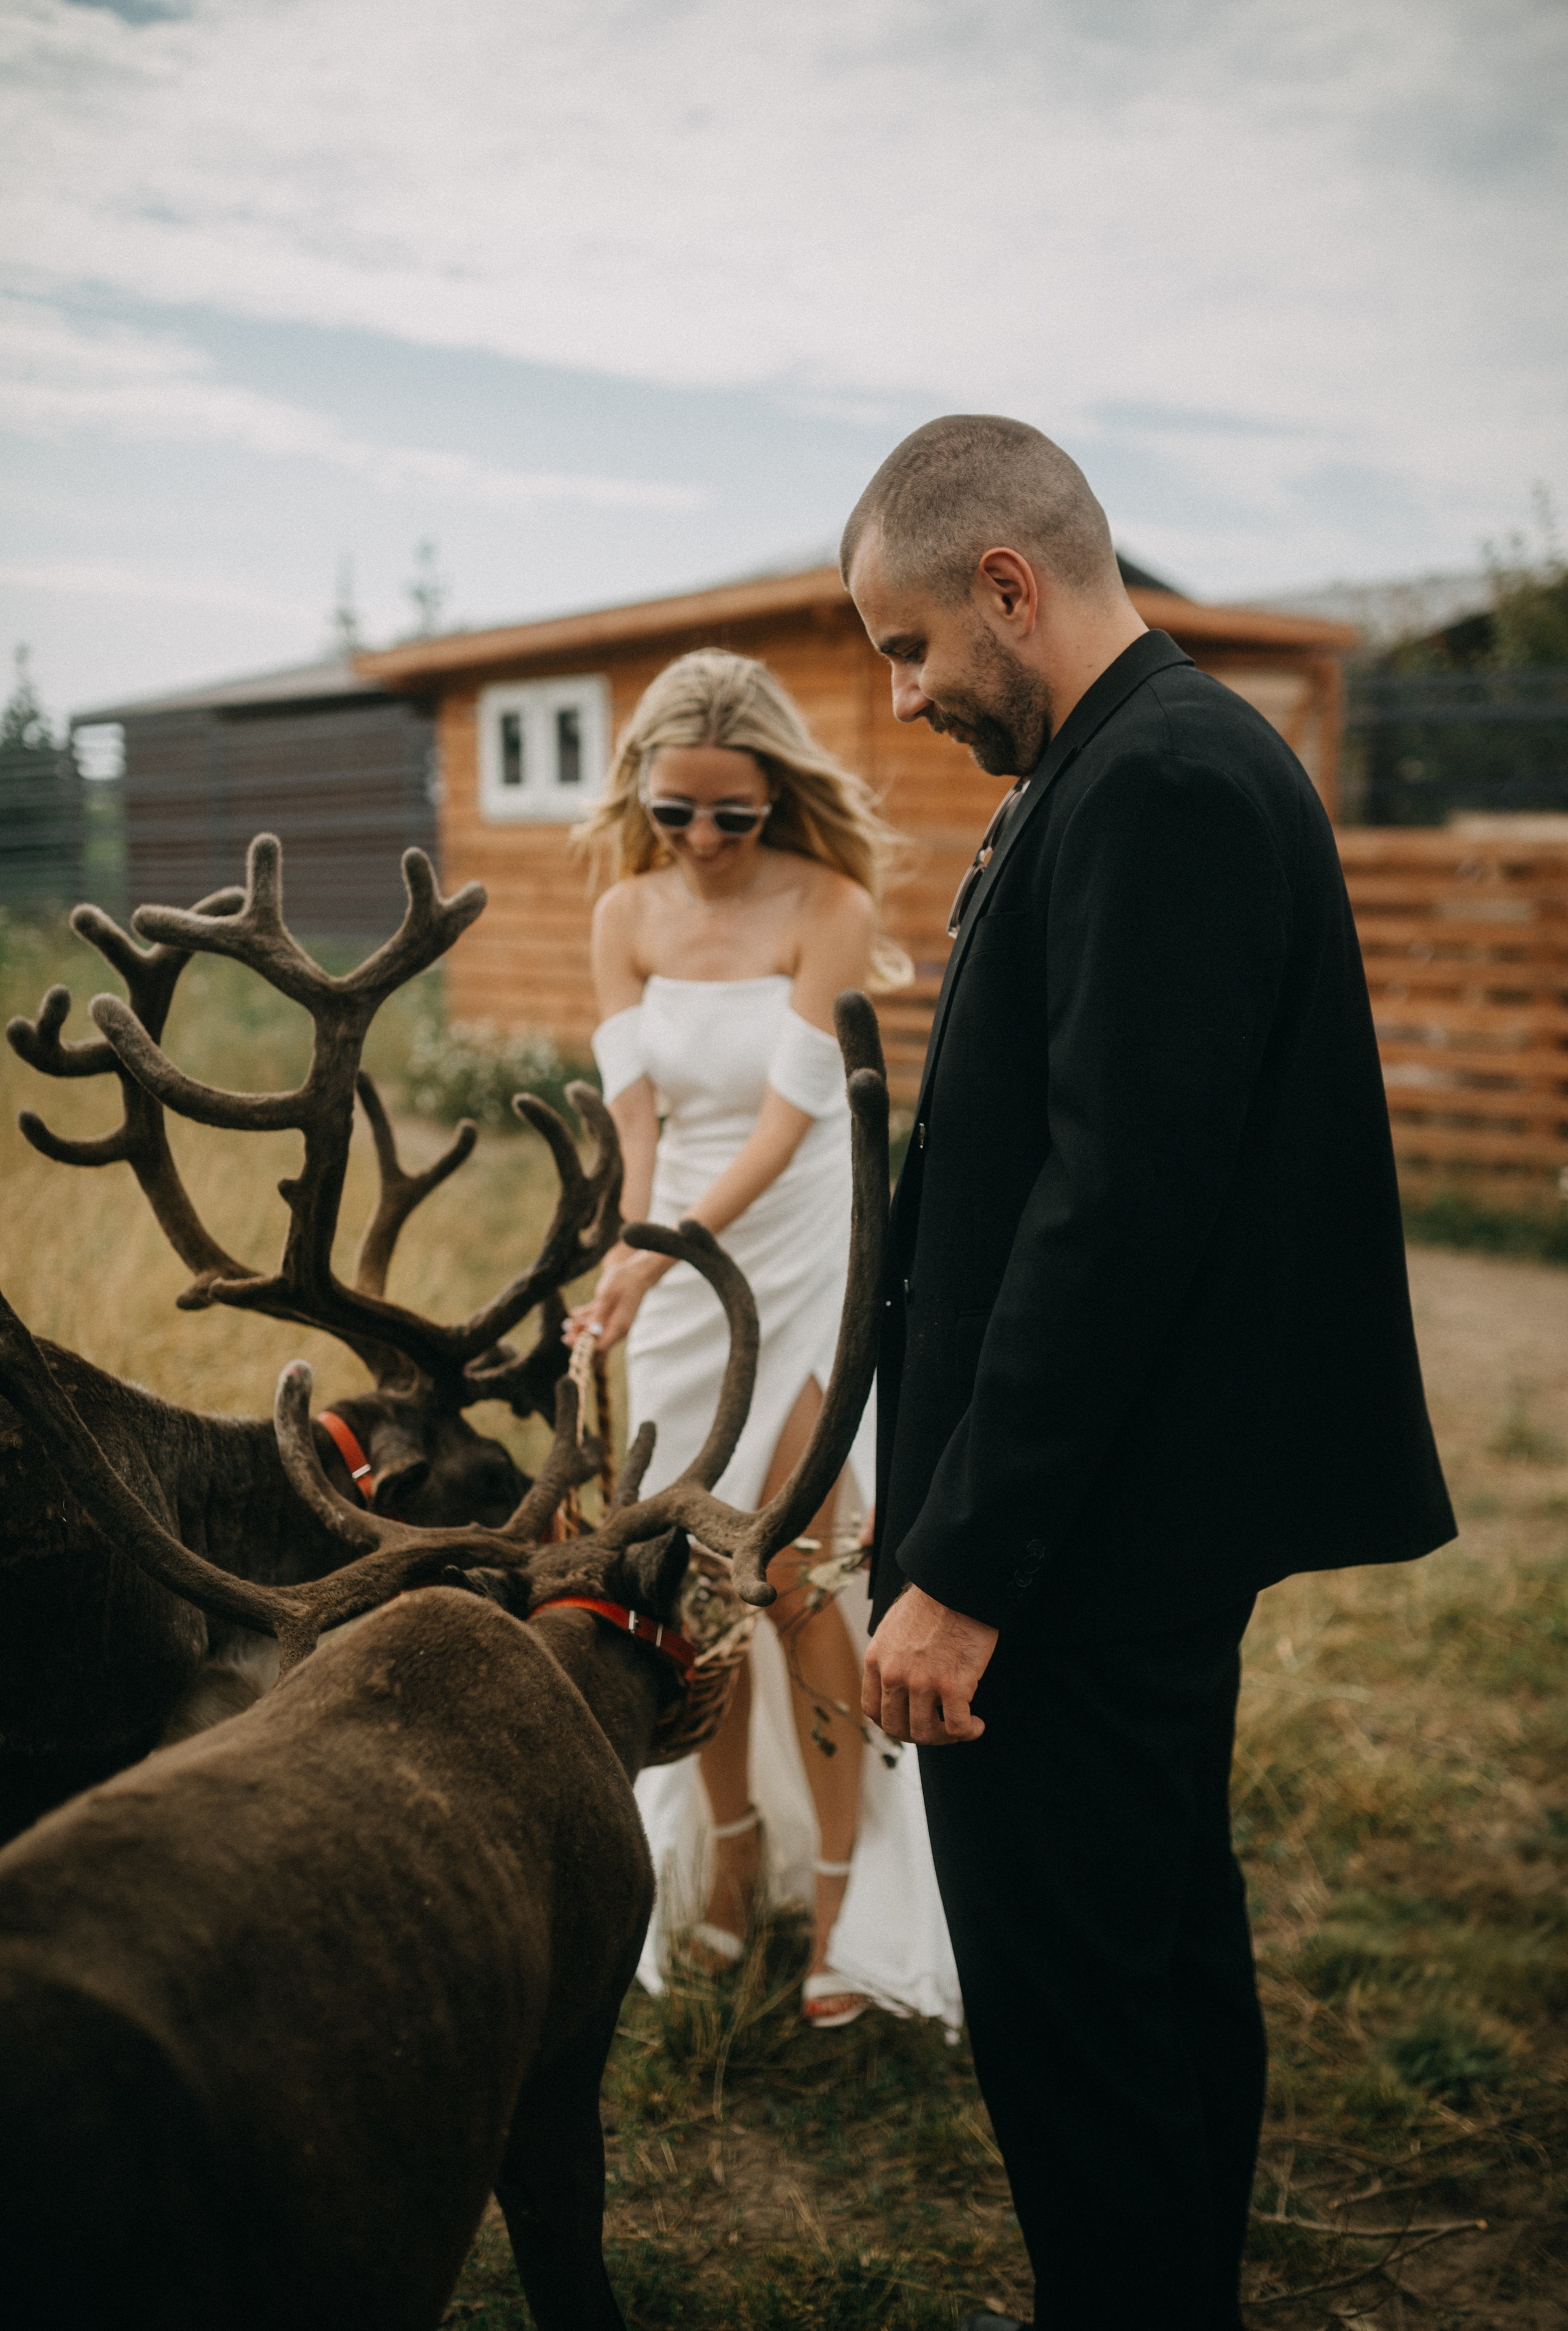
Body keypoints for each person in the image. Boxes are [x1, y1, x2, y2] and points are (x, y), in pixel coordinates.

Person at [842, 417, 1455, 2330]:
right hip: (1121, 1520)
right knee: (1154, 1948)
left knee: (1080, 2002)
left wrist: (965, 1566)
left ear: (1007, 584)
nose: (906, 693)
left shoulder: (1164, 783)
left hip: (1079, 1545)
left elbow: (1120, 1214)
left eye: (911, 645)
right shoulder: (1138, 759)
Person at [568, 648, 960, 2033]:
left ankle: (844, 1892)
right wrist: (628, 1251)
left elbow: (793, 1127)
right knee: (688, 1583)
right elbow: (639, 1125)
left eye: (731, 813)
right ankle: (731, 1857)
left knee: (794, 1576)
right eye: (674, 810)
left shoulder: (829, 904)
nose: (701, 838)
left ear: (776, 795)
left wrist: (663, 1244)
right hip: (676, 1266)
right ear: (642, 793)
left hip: (799, 1252)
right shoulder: (622, 913)